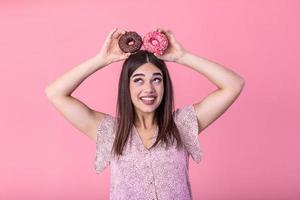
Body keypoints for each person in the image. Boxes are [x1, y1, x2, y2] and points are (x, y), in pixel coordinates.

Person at [45, 28, 245, 200]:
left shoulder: (182, 124)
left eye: (156, 79)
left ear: (165, 85)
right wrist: (102, 59)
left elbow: (233, 84)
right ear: (127, 86)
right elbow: (55, 93)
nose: (148, 88)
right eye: (139, 80)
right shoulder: (109, 131)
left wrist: (182, 57)